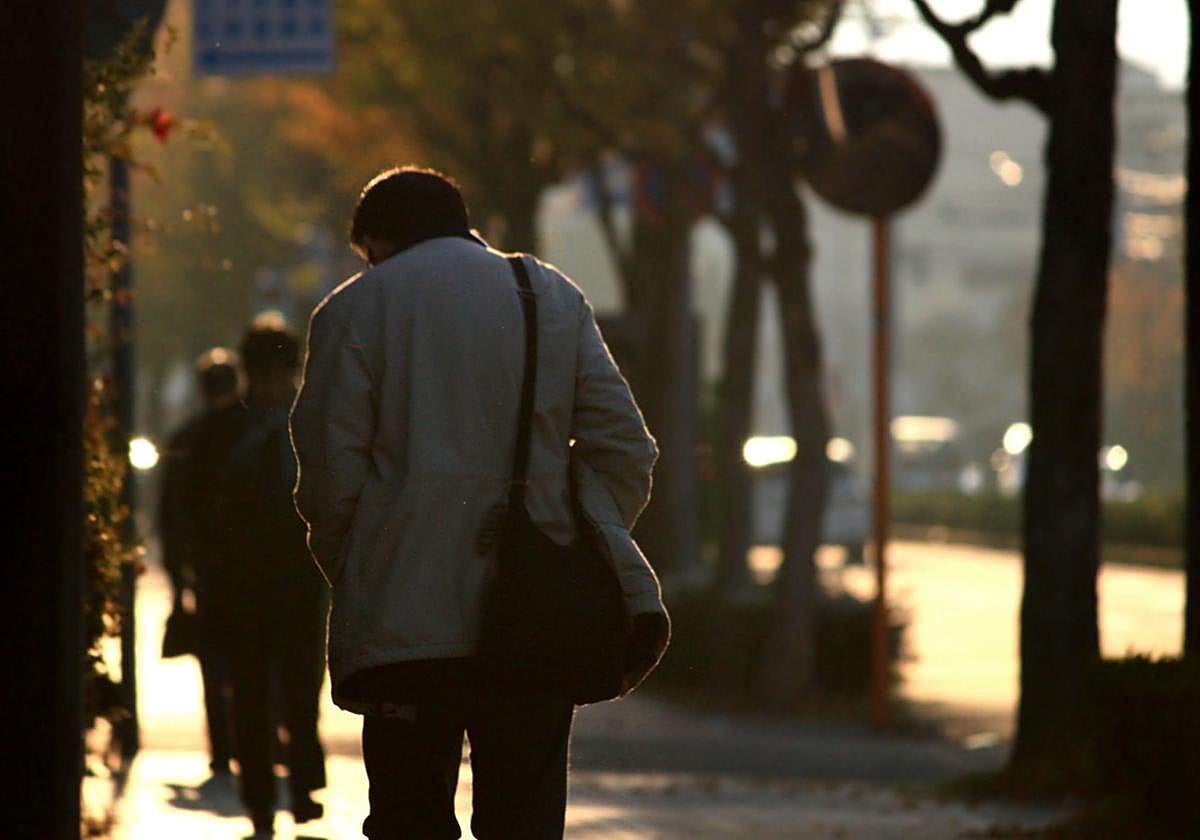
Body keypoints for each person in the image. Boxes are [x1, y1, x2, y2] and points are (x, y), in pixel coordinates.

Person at [290, 166, 670, 839]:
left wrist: (360, 561)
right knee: (522, 818)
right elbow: (626, 448)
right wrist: (568, 528)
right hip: (535, 616)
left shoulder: (354, 309)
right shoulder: (548, 295)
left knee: (409, 816)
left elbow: (328, 473)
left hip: (402, 620)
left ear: (376, 241)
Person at [197, 316, 330, 835]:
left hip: (245, 587)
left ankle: (279, 795)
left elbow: (197, 509)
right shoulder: (313, 425)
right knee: (288, 694)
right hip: (290, 582)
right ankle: (286, 793)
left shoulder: (220, 430)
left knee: (264, 696)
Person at [158, 348, 240, 778]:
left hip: (206, 569)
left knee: (213, 662)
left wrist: (177, 575)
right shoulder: (248, 435)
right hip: (243, 569)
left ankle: (222, 747)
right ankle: (252, 740)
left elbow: (171, 512)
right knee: (250, 660)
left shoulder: (187, 438)